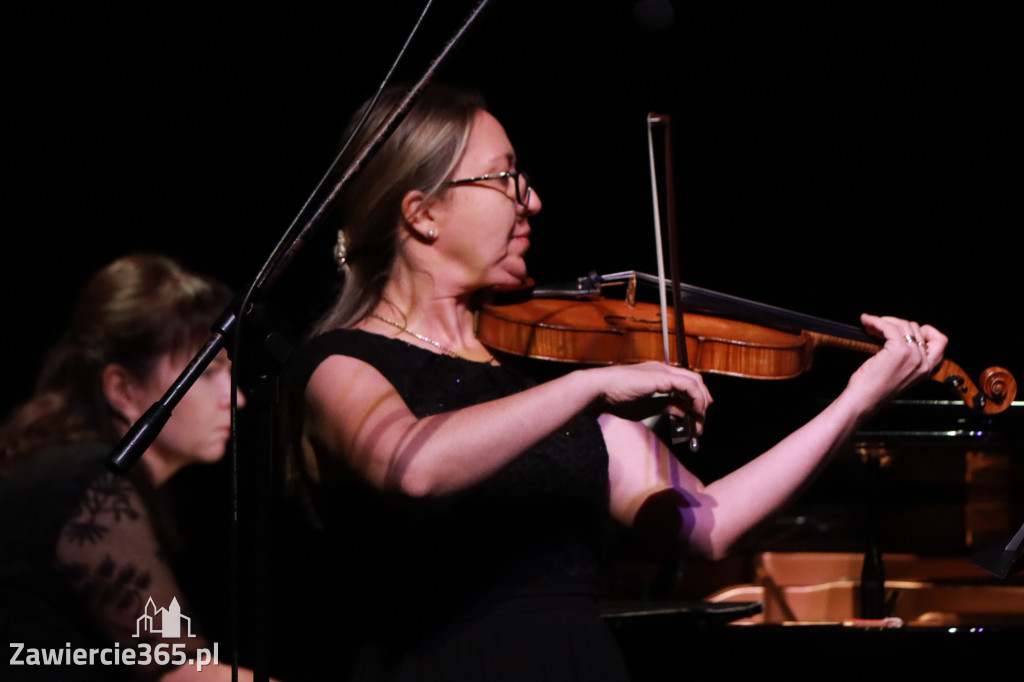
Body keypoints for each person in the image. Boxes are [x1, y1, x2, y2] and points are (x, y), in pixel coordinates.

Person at [280, 84, 947, 681]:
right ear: (423, 213)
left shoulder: (529, 384)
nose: (532, 201)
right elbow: (411, 465)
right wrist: (588, 388)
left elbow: (709, 525)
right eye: (506, 179)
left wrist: (855, 399)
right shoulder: (341, 365)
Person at [0, 253, 274, 681]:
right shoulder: (86, 481)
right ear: (122, 389)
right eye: (208, 374)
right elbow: (182, 674)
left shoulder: (73, 472)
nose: (235, 399)